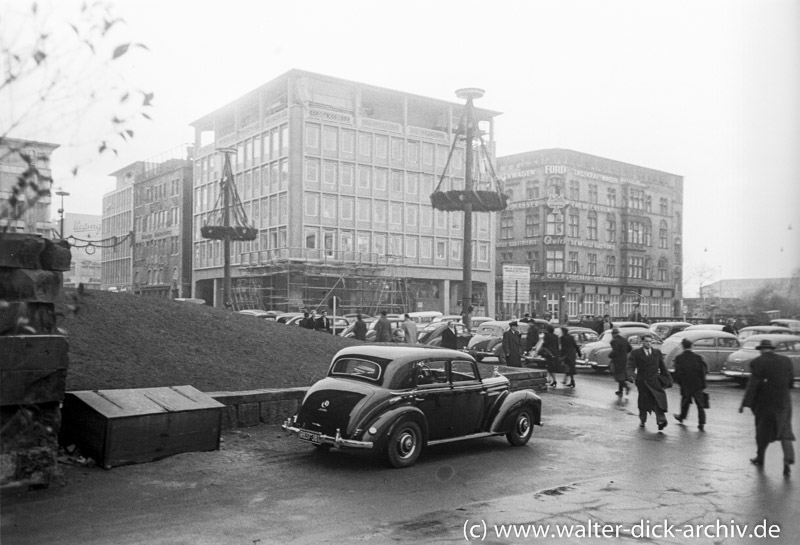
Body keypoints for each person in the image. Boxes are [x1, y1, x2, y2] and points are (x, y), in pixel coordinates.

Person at [739, 339, 795, 475]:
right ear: (771, 349)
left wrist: (744, 403)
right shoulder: (786, 361)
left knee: (762, 432)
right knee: (785, 431)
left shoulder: (757, 362)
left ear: (761, 350)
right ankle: (788, 462)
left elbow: (753, 385)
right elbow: (791, 382)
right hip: (784, 402)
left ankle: (760, 457)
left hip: (765, 404)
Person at [627, 336, 670, 430]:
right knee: (643, 401)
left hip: (655, 380)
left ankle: (661, 419)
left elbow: (663, 367)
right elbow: (630, 366)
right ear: (642, 342)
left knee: (658, 398)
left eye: (650, 341)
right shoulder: (636, 353)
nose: (649, 343)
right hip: (642, 381)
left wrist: (668, 378)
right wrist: (631, 376)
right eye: (646, 341)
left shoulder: (657, 353)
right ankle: (642, 419)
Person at [673, 338, 708, 430]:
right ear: (691, 346)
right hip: (697, 384)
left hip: (686, 384)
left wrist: (680, 383)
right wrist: (703, 384)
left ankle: (682, 417)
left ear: (683, 347)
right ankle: (701, 422)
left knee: (685, 401)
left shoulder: (679, 358)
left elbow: (678, 373)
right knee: (700, 404)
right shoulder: (698, 358)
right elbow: (703, 372)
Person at [609, 328, 632, 399]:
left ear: (613, 334)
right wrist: (624, 353)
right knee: (621, 375)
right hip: (624, 360)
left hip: (617, 361)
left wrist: (610, 355)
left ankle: (626, 387)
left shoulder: (614, 341)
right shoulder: (624, 340)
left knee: (618, 376)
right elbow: (630, 348)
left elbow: (615, 351)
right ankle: (620, 391)